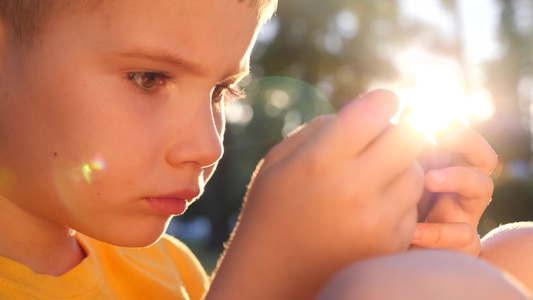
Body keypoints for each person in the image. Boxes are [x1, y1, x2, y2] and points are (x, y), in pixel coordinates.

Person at [0, 0, 524, 299]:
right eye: (148, 78)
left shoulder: (165, 265)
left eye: (220, 92)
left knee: (518, 252)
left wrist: (404, 256)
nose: (207, 146)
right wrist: (268, 280)